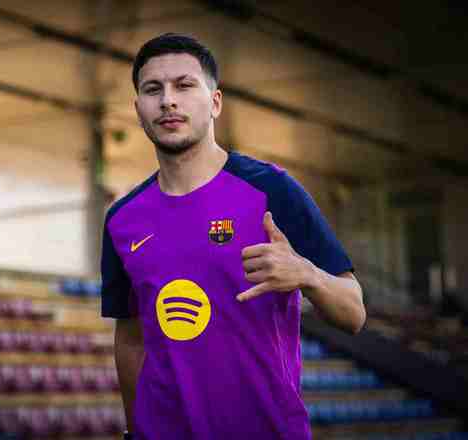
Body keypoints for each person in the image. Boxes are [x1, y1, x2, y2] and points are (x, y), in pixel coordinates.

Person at [100, 33, 366, 440]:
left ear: (215, 102)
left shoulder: (271, 190)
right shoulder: (122, 220)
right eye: (153, 89)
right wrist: (136, 431)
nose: (168, 100)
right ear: (138, 110)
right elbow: (131, 339)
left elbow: (354, 313)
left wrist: (307, 273)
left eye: (184, 85)